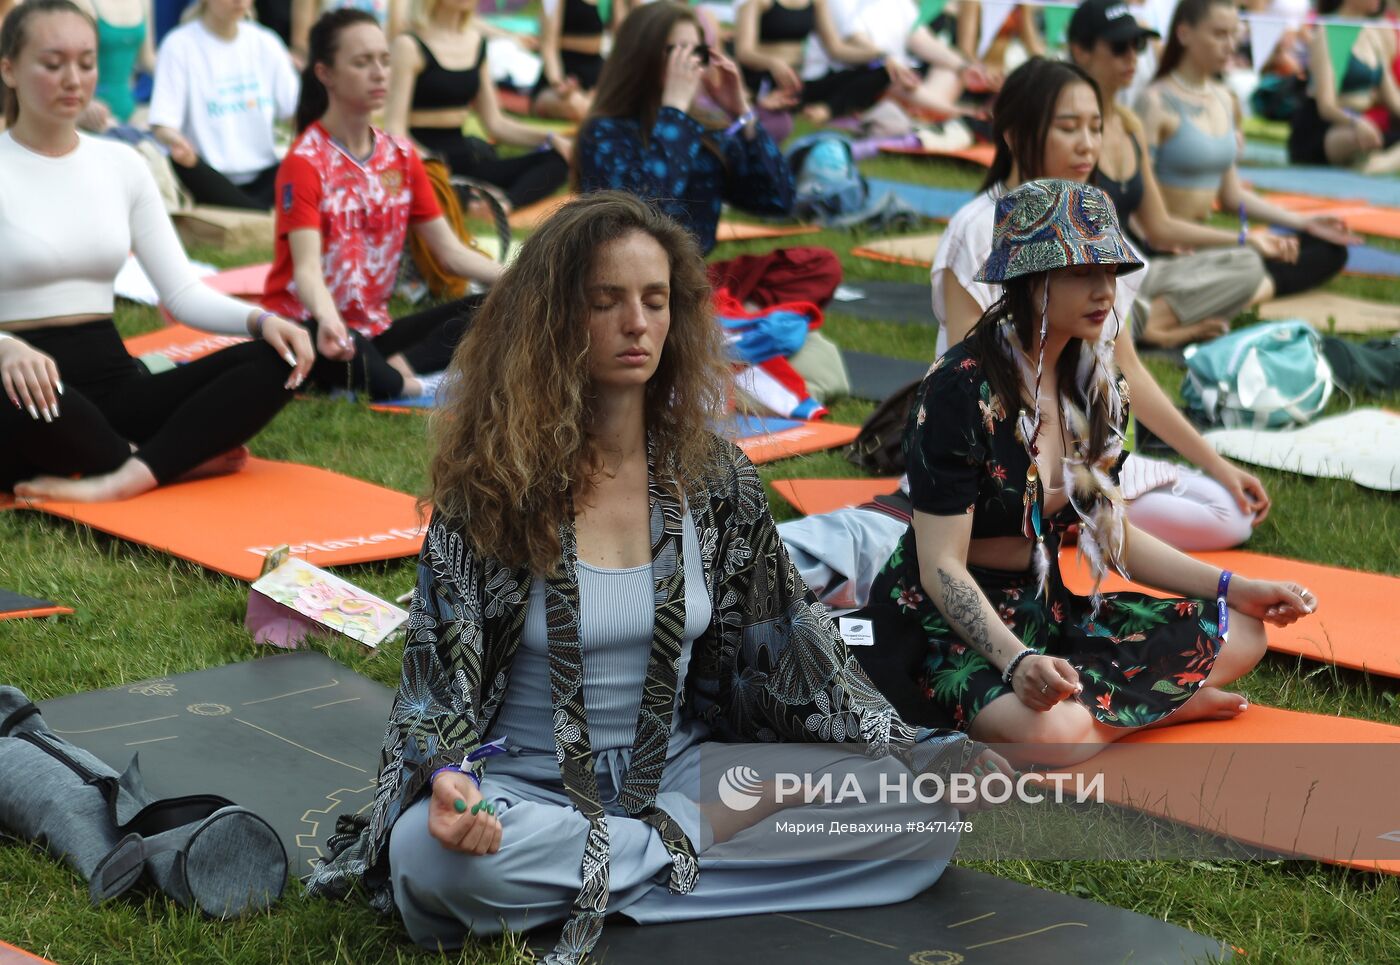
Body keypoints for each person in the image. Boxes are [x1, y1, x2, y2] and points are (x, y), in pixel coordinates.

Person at [302, 191, 991, 965]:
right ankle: (662, 858)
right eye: (607, 301)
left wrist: (904, 746)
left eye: (655, 300)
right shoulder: (494, 485)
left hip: (687, 775)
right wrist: (453, 784)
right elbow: (436, 685)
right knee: (434, 862)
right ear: (557, 318)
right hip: (531, 796)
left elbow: (794, 637)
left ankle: (610, 871)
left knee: (922, 809)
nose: (638, 323)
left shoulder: (714, 478)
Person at [874, 179, 1317, 764]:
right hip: (949, 627)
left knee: (1245, 630)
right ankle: (1160, 706)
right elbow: (940, 568)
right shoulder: (960, 390)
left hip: (1048, 611)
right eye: (1082, 272)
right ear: (1031, 282)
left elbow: (1114, 536)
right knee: (1047, 736)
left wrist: (1236, 586)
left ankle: (1118, 711)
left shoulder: (1098, 388)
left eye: (1109, 271)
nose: (1104, 289)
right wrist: (1015, 661)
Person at [932, 58, 1271, 553]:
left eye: (1096, 126)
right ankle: (1056, 518)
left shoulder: (1092, 217)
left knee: (1229, 508)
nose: (1087, 143)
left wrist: (1217, 464)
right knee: (1222, 523)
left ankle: (1077, 516)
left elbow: (1124, 361)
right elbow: (965, 377)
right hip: (1008, 466)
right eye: (1068, 127)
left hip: (1085, 453)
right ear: (1013, 134)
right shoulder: (977, 229)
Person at [0, 0, 314, 503]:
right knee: (20, 395)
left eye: (86, 62)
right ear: (9, 69)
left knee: (278, 357)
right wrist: (4, 345)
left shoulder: (122, 163)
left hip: (115, 383)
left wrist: (261, 322)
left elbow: (183, 291)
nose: (73, 79)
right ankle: (164, 459)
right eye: (52, 64)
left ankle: (125, 470)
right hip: (25, 387)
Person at [262, 8, 501, 401]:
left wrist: (526, 277)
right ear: (325, 74)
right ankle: (412, 385)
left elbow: (452, 254)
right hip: (307, 327)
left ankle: (390, 375)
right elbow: (305, 270)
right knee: (344, 346)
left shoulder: (402, 156)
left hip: (374, 331)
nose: (379, 72)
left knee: (498, 301)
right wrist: (327, 320)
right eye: (362, 62)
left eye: (384, 60)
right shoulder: (304, 162)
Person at [577, 2, 842, 310]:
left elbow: (777, 199)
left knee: (819, 264)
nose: (690, 65)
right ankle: (721, 318)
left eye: (697, 54)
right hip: (628, 285)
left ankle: (719, 318)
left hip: (694, 282)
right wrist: (674, 110)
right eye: (677, 53)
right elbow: (641, 215)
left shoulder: (702, 130)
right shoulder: (605, 131)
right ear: (641, 56)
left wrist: (742, 114)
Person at [1068, 0, 1298, 348]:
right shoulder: (1072, 126)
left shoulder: (1129, 126)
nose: (1132, 57)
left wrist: (1246, 239)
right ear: (1080, 52)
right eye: (1119, 47)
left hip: (1137, 269)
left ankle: (1139, 323)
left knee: (1249, 264)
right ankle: (1139, 326)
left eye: (1138, 46)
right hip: (1087, 278)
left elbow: (1159, 226)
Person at [1137, 0, 1357, 299]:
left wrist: (1306, 223)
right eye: (1219, 34)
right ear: (1184, 33)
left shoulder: (1224, 99)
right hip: (1164, 245)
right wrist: (1244, 239)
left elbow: (1232, 196)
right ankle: (1234, 290)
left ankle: (1239, 291)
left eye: (1233, 35)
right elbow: (1141, 210)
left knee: (1327, 249)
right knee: (1251, 259)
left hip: (1207, 242)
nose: (1230, 45)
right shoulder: (1154, 102)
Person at [382, 0, 570, 213]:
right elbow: (394, 130)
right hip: (425, 161)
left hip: (465, 159)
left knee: (557, 160)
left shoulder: (476, 42)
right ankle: (472, 198)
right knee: (438, 186)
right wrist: (435, 167)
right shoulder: (408, 45)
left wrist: (551, 138)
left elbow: (496, 123)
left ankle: (503, 204)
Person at [148, 0, 300, 209]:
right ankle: (260, 213)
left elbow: (296, 111)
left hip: (265, 173)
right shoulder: (178, 45)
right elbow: (162, 124)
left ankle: (257, 211)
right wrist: (178, 142)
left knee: (299, 166)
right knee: (186, 164)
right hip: (209, 174)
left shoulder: (267, 42)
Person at [733, 0, 920, 122]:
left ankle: (826, 109)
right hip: (766, 76)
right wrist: (773, 63)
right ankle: (788, 104)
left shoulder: (816, 3)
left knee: (880, 72)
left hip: (799, 79)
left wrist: (880, 56)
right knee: (778, 89)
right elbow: (744, 52)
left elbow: (836, 49)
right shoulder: (757, 2)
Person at [1289, 0, 1400, 172]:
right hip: (1322, 129)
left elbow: (1393, 98)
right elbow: (1326, 106)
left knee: (1369, 138)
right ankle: (1373, 165)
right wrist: (1357, 121)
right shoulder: (1328, 31)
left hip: (1361, 126)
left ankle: (1375, 166)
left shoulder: (1373, 34)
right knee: (1359, 138)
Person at [531, 0, 619, 121]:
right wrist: (558, 84)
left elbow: (621, 38)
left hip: (597, 72)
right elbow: (548, 47)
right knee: (579, 106)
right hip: (562, 73)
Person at [72, 0, 155, 127]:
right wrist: (83, 103)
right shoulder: (82, 3)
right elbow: (69, 61)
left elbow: (147, 59)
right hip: (91, 111)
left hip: (129, 107)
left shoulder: (144, 2)